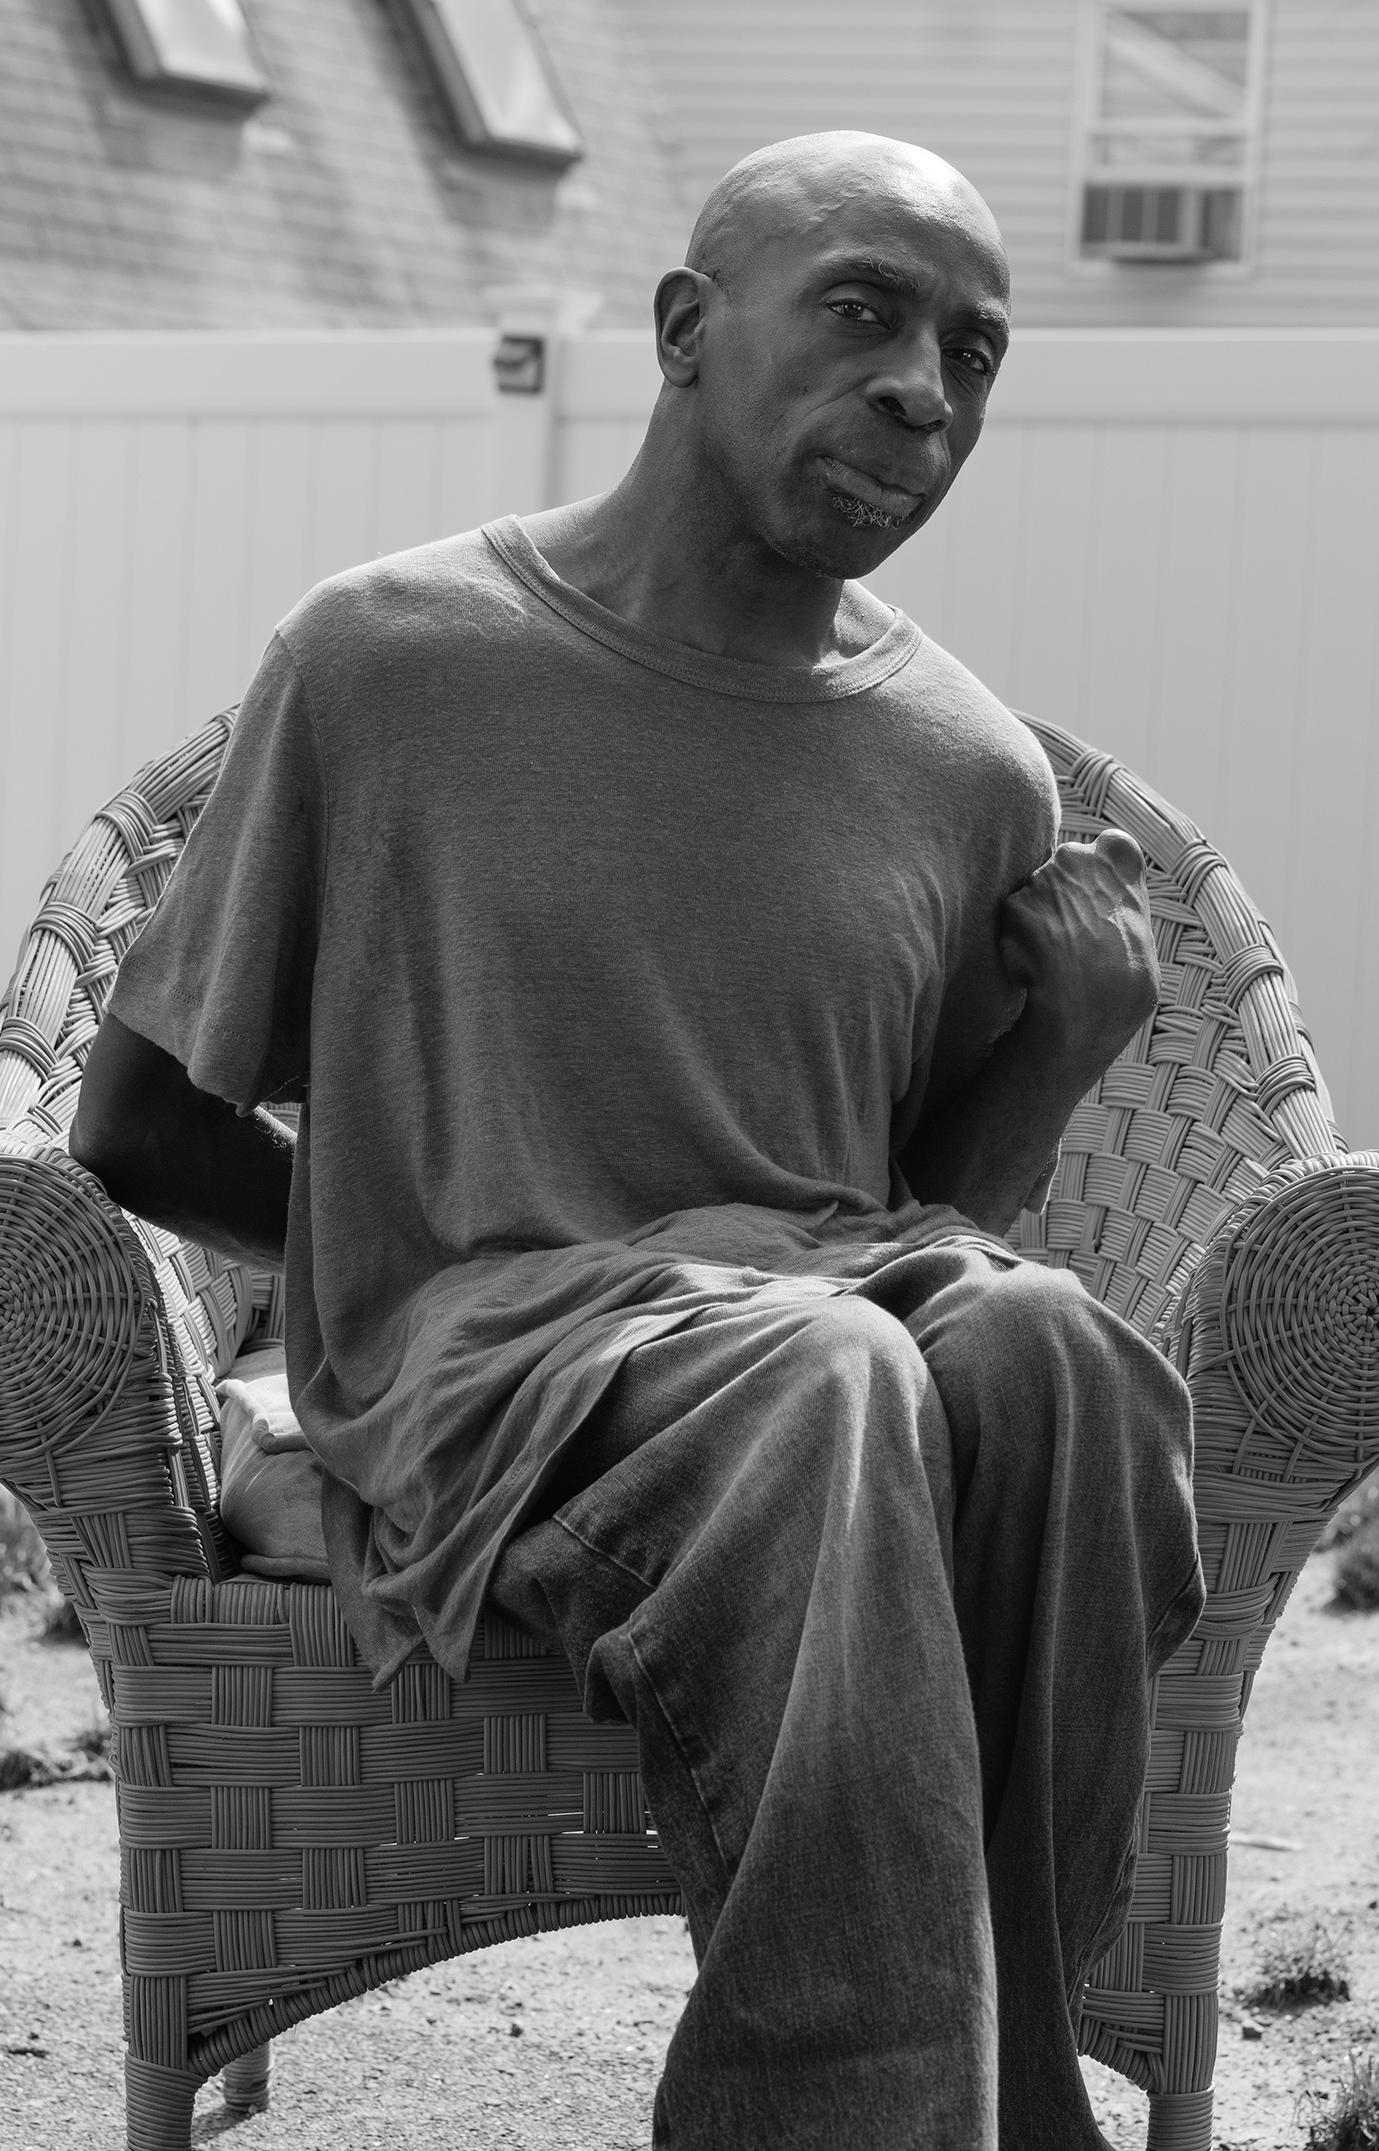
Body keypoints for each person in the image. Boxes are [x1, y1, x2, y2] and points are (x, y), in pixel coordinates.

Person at [71, 131, 1202, 2151]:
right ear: (687, 328)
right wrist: (396, 1239)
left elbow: (905, 1214)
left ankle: (1020, 2085)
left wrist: (1068, 1044)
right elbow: (139, 1124)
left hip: (803, 1338)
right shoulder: (389, 663)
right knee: (828, 1369)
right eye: (862, 310)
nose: (923, 392)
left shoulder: (966, 770)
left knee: (1050, 1361)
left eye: (975, 353)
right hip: (495, 1357)